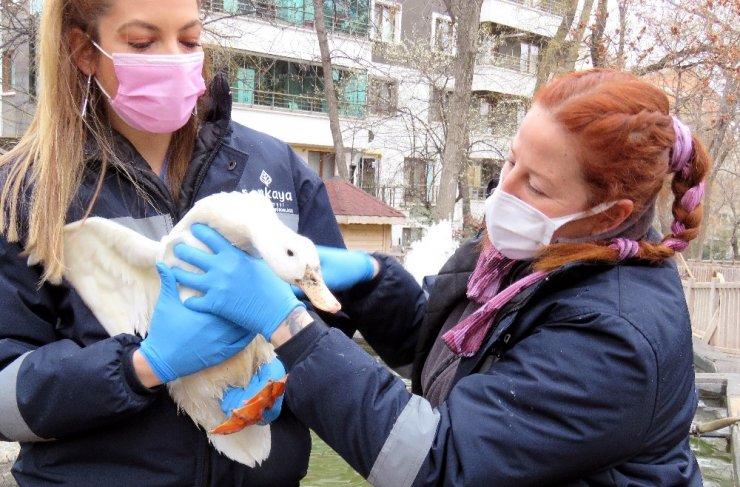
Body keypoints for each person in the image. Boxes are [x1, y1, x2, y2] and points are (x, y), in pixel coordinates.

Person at [173, 68, 709, 486]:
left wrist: (287, 327)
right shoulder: (532, 250)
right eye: (510, 162)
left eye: (537, 186)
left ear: (610, 215)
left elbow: (440, 464)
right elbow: (443, 353)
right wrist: (368, 277)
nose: (505, 193)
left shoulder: (616, 337)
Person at [0, 0, 347, 485]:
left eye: (189, 41)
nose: (174, 60)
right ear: (83, 49)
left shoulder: (275, 167)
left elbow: (337, 323)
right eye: (143, 43)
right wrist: (140, 367)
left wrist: (293, 367)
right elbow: (4, 396)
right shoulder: (25, 190)